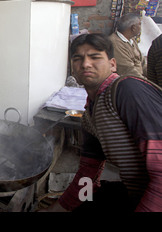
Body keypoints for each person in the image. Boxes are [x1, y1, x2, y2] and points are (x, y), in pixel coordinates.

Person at [43, 33, 162, 212]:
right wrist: (59, 209)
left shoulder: (127, 91)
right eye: (78, 59)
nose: (85, 64)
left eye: (95, 57)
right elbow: (88, 174)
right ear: (72, 70)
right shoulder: (90, 115)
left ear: (112, 64)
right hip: (136, 193)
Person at [109, 12, 146, 78]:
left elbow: (142, 62)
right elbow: (128, 70)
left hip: (140, 78)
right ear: (133, 28)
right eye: (139, 24)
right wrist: (148, 83)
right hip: (131, 81)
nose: (140, 27)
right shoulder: (115, 43)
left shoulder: (131, 40)